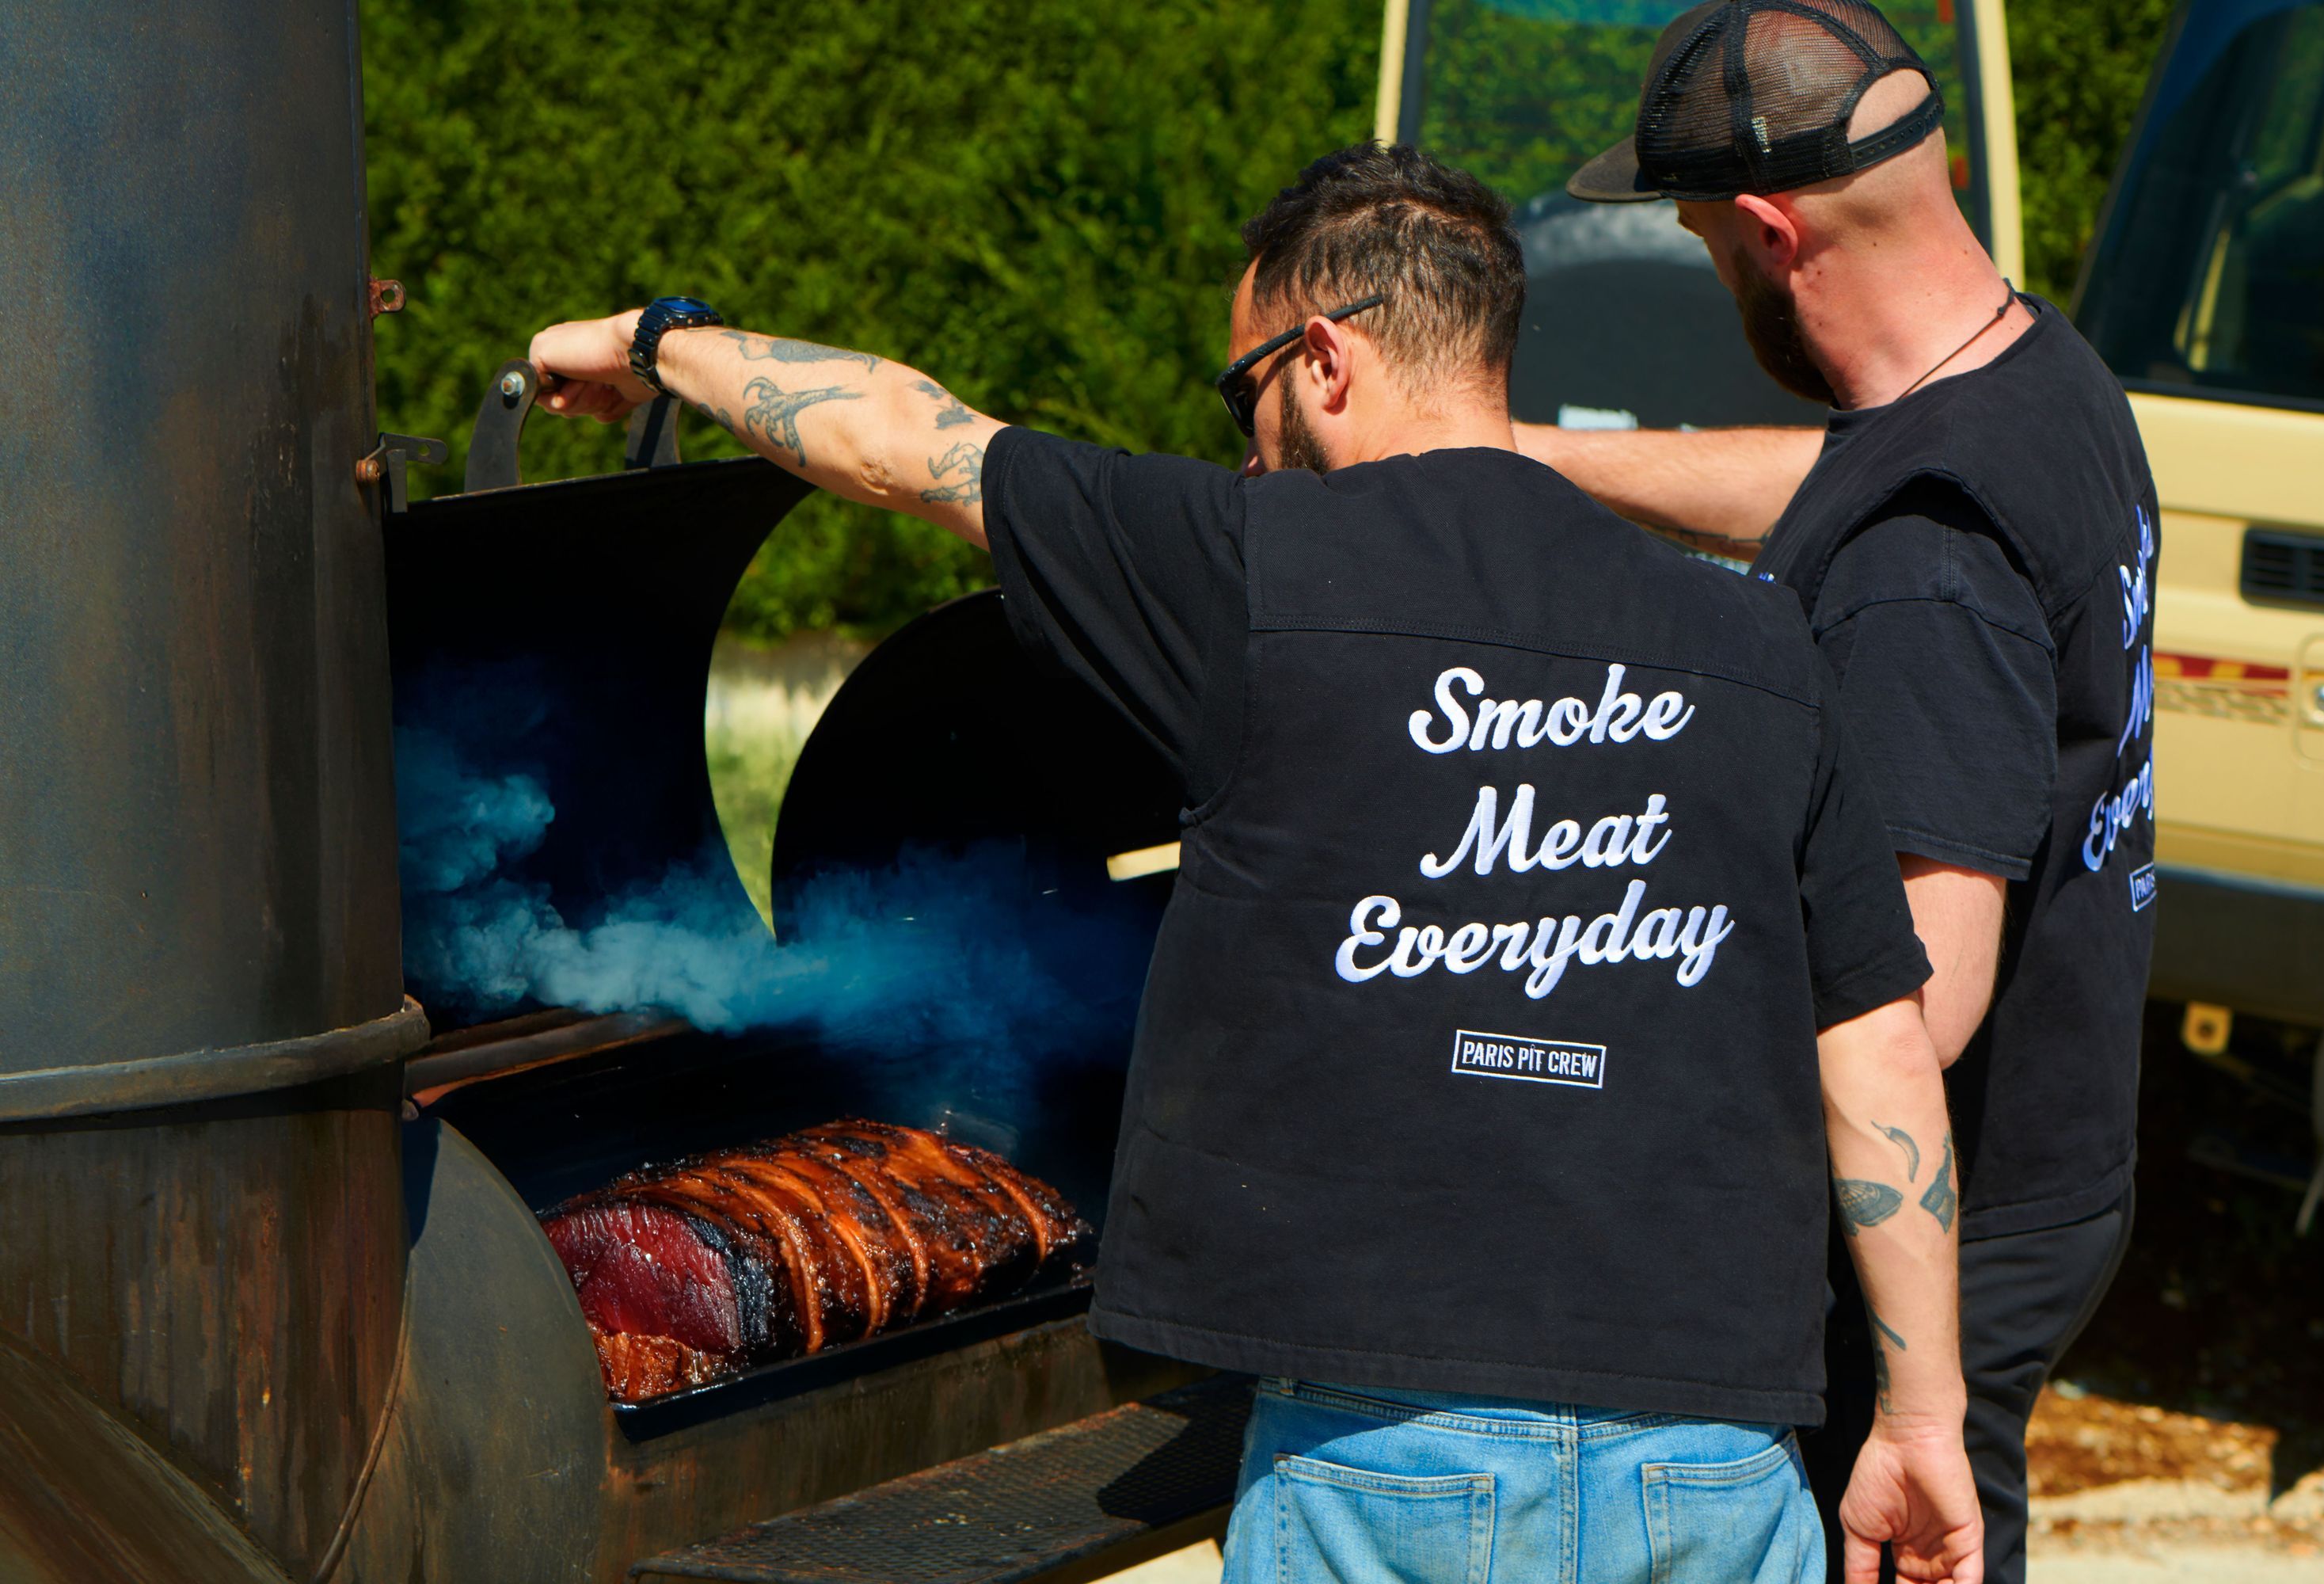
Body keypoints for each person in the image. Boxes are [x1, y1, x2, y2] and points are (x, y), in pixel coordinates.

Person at [527, 143, 1981, 1583]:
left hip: (1388, 1467)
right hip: (1716, 1468)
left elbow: (901, 438)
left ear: (1327, 358)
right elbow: (1877, 1051)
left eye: (1248, 390)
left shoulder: (1254, 569)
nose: (1242, 444)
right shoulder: (1757, 642)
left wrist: (665, 343)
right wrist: (1923, 1419)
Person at [1522, 4, 2157, 1578]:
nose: (1706, 267)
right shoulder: (2034, 375)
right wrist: (1517, 456)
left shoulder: (1921, 571)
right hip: (2061, 1156)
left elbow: (1917, 1006)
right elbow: (1829, 488)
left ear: (1765, 228)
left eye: (1697, 238)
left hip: (1941, 1219)